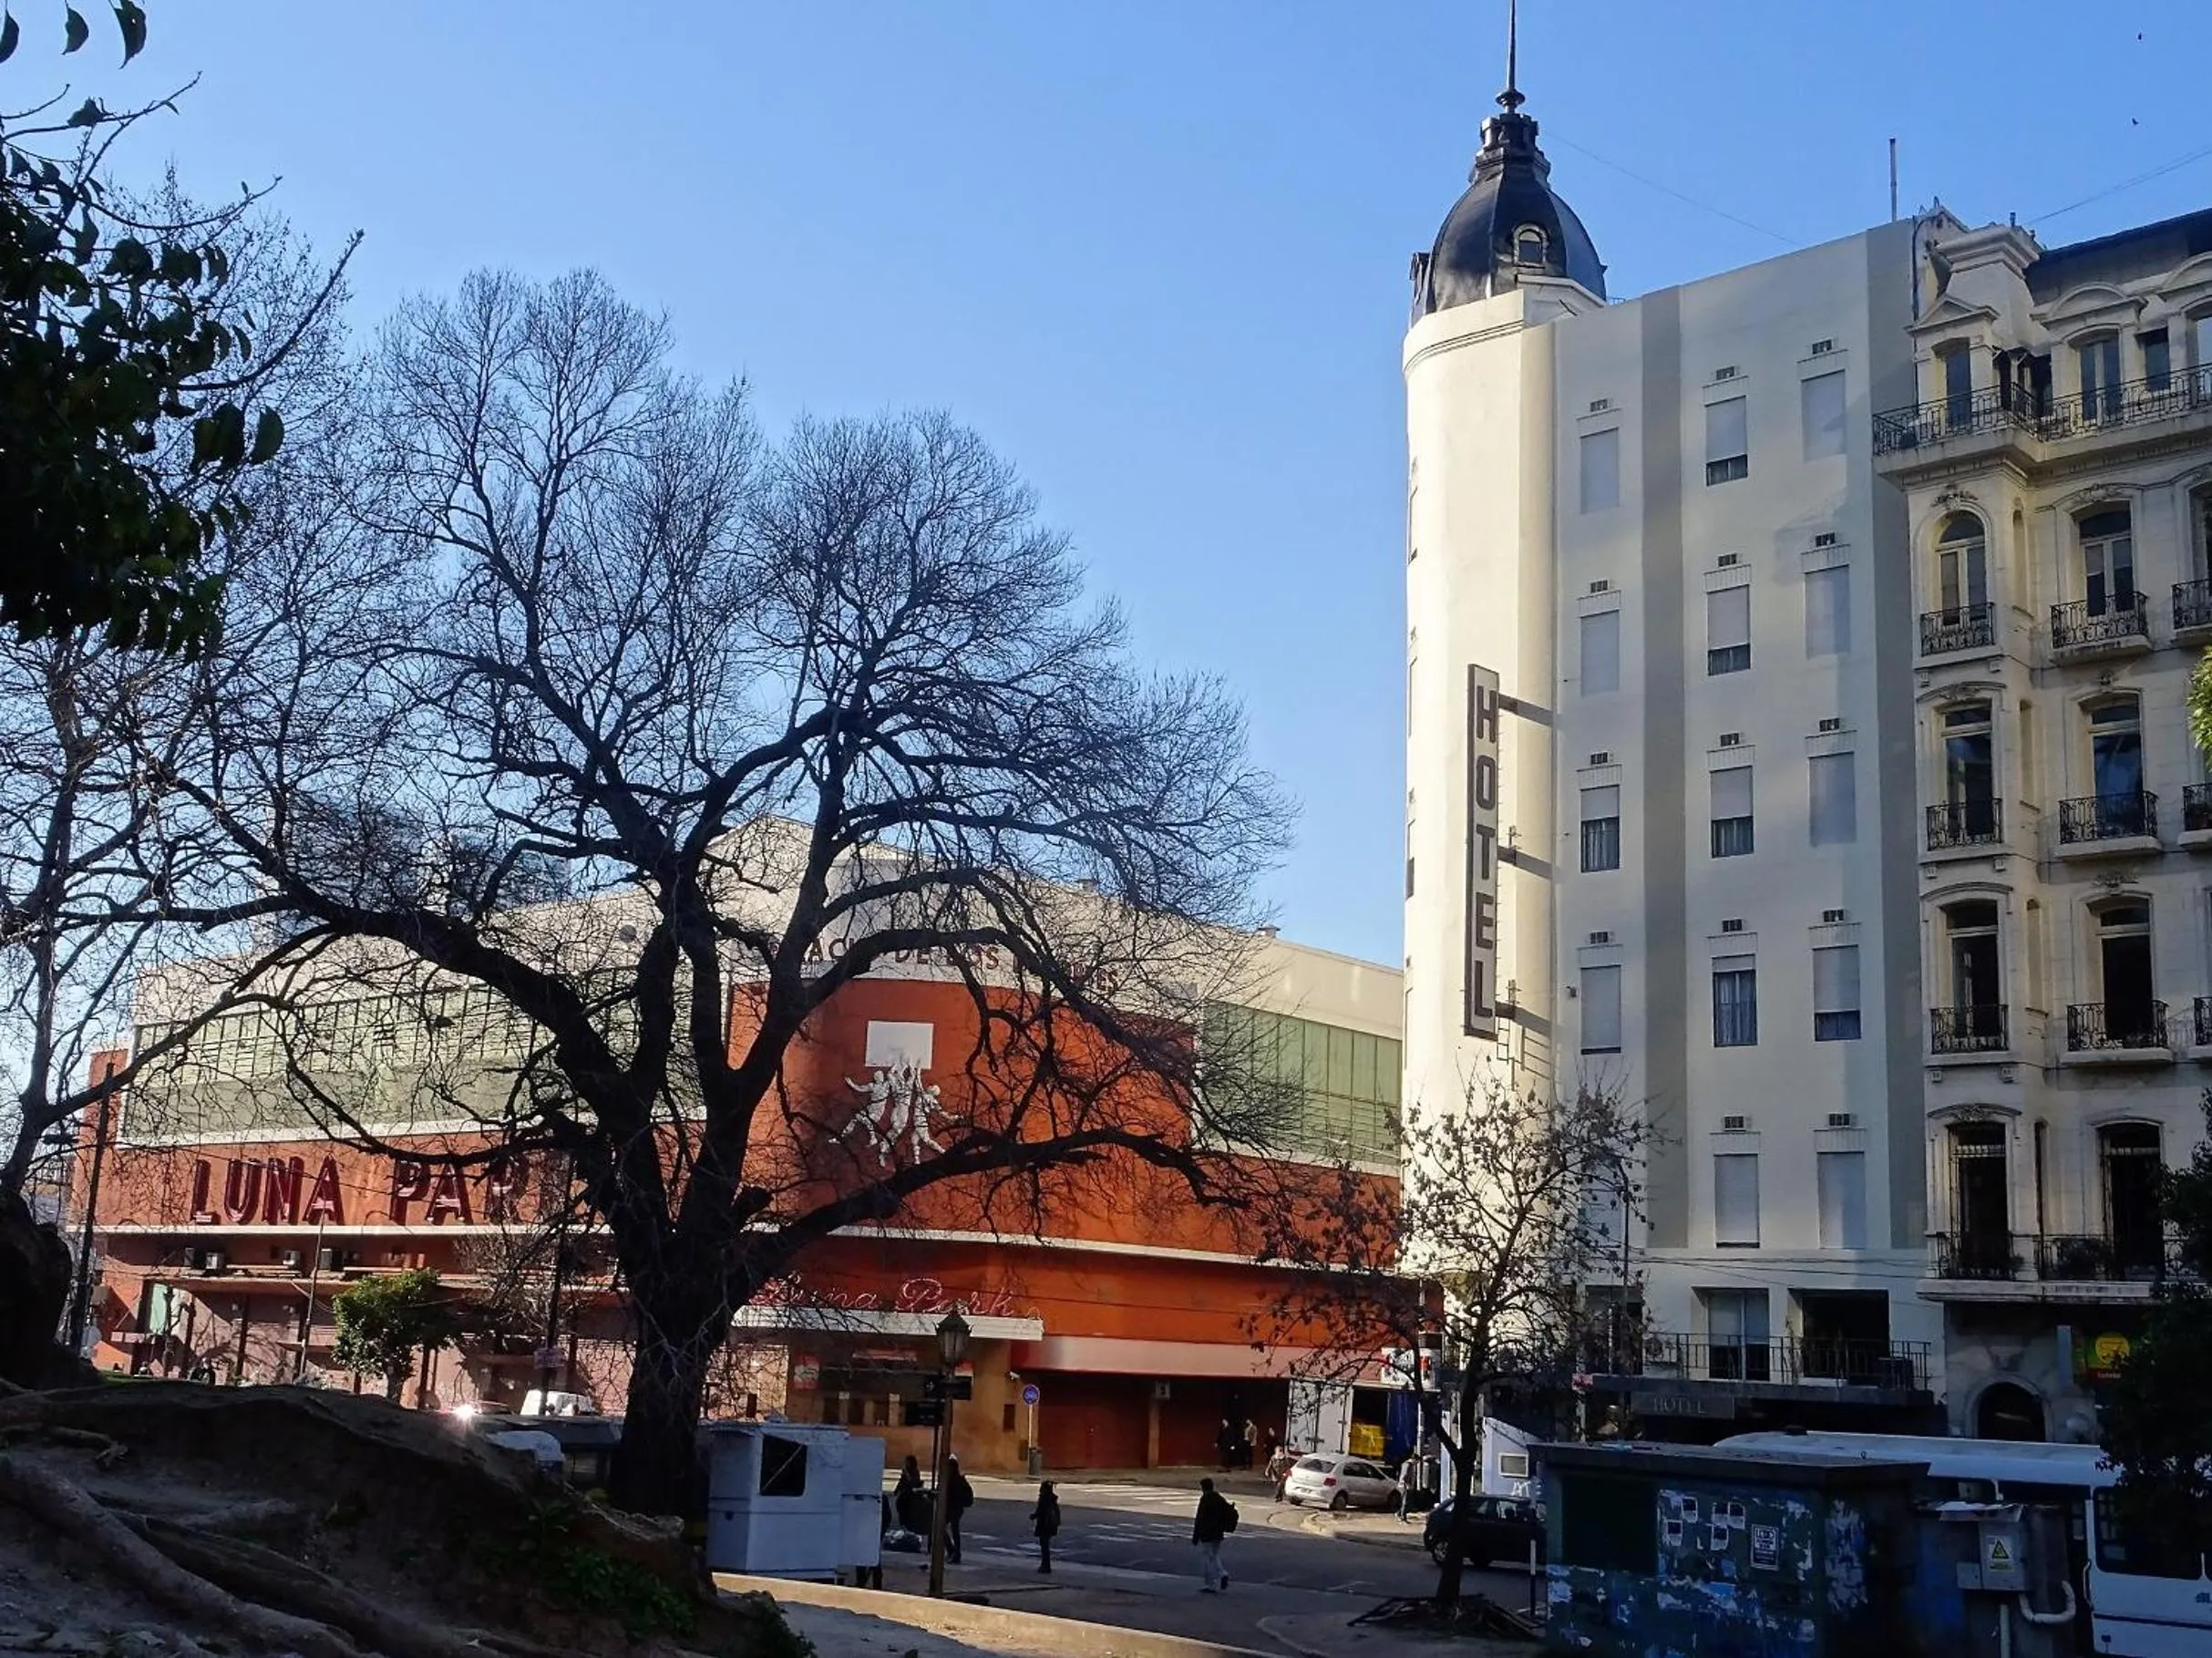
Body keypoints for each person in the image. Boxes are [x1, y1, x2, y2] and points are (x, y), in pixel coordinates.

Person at [1191, 1477, 1236, 1593]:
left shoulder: (1205, 1499)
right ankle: (1221, 1574)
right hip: (1218, 1532)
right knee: (1214, 1556)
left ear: (1203, 1488)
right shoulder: (1219, 1498)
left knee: (1208, 1558)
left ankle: (1211, 1583)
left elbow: (1199, 1518)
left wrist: (1195, 1536)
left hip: (1206, 1533)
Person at [944, 1454, 974, 1564]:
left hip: (954, 1508)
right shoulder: (954, 1479)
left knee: (952, 1530)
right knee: (948, 1529)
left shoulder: (953, 1480)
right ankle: (953, 1551)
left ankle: (955, 1552)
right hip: (953, 1508)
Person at [1031, 1479, 1061, 1573]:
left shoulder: (1044, 1499)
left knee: (1044, 1546)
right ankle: (1046, 1565)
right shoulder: (1053, 1500)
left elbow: (1040, 1512)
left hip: (1044, 1525)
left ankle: (1045, 1566)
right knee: (1045, 1546)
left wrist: (1033, 1516)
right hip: (1051, 1525)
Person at [893, 1455, 927, 1535]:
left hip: (910, 1493)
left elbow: (914, 1482)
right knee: (900, 1506)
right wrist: (897, 1490)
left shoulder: (914, 1471)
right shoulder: (905, 1471)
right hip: (905, 1492)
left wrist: (907, 1476)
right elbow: (901, 1481)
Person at [1395, 1456, 1419, 1524]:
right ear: (1414, 1460)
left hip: (1404, 1485)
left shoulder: (1407, 1464)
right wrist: (1407, 1484)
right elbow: (1405, 1475)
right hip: (1404, 1485)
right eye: (1417, 1462)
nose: (1417, 1463)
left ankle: (1399, 1514)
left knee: (1405, 1501)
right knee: (1405, 1502)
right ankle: (1402, 1518)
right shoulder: (1408, 1465)